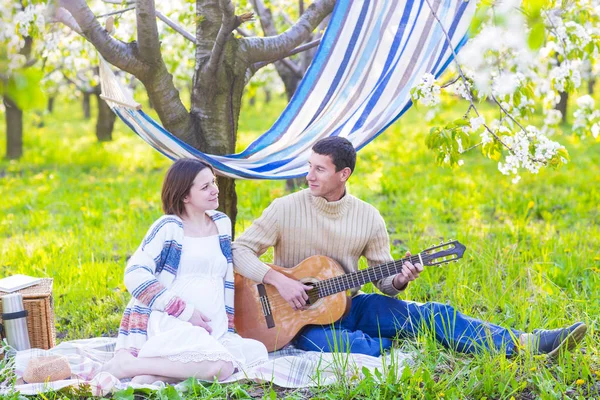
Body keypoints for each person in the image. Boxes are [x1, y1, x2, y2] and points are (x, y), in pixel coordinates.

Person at [232, 137, 587, 358]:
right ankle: (386, 341)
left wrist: (400, 280)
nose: (309, 175)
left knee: (435, 314)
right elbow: (240, 250)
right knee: (348, 349)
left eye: (319, 170)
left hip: (349, 304)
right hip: (297, 320)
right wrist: (280, 281)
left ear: (344, 175)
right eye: (309, 167)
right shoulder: (285, 208)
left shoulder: (368, 217)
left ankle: (526, 343)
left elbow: (384, 283)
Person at [102, 159, 267, 384]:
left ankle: (152, 375)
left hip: (214, 329)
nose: (215, 190)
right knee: (221, 367)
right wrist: (184, 312)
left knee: (257, 352)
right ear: (184, 196)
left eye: (214, 182)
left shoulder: (221, 223)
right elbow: (135, 273)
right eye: (205, 187)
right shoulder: (168, 227)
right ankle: (129, 364)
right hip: (175, 323)